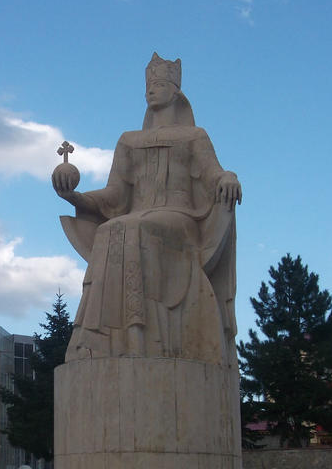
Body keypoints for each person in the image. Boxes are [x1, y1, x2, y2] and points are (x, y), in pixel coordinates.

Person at [53, 52, 242, 368]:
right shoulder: (128, 140)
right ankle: (105, 339)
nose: (151, 90)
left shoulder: (195, 136)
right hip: (136, 218)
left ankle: (138, 335)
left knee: (131, 227)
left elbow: (214, 175)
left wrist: (230, 176)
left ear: (175, 91)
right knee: (111, 228)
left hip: (180, 219)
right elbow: (114, 195)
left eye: (159, 84)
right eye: (149, 85)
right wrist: (74, 197)